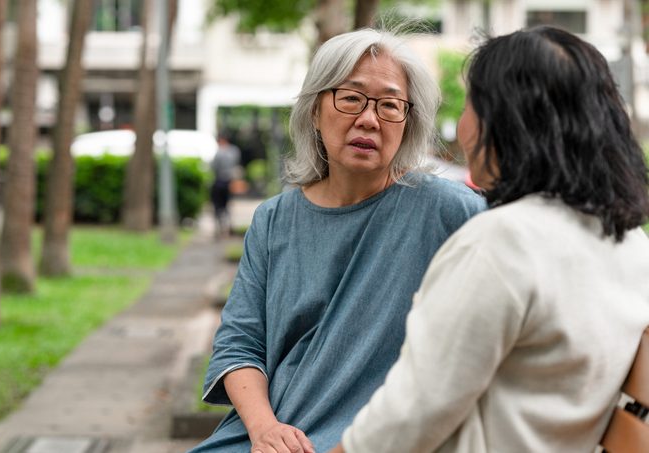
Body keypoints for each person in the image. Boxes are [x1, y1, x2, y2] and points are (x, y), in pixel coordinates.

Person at [329, 26, 649, 453]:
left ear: (508, 124)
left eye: (471, 105)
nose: (463, 125)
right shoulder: (630, 243)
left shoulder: (502, 242)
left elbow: (403, 423)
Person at [187, 28, 485, 453]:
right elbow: (239, 344)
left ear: (409, 122)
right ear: (314, 110)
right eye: (350, 98)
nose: (368, 118)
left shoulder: (450, 212)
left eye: (390, 105)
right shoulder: (273, 220)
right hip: (270, 434)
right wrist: (264, 429)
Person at [210, 133, 242, 237]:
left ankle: (220, 227)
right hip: (230, 182)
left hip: (219, 181)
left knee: (218, 205)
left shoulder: (219, 153)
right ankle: (228, 226)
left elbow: (214, 167)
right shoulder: (235, 151)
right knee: (228, 205)